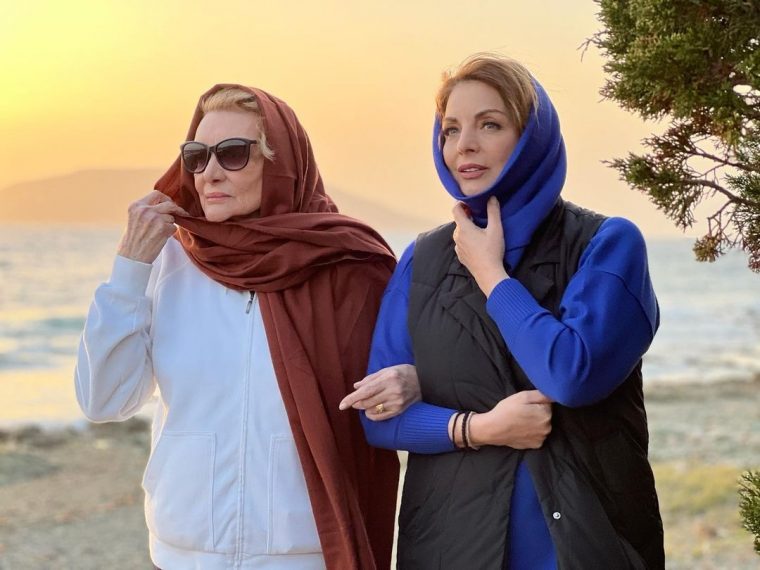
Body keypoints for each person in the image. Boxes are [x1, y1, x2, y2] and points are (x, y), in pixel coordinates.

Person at [340, 54, 664, 569]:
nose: (463, 145)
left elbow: (571, 375)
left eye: (489, 124)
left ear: (532, 136)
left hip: (582, 546)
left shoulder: (607, 244)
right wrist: (475, 427)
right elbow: (378, 419)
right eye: (450, 129)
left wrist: (491, 274)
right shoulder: (423, 259)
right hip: (449, 548)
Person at [75, 84, 399, 569]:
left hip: (304, 553)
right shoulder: (167, 261)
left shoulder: (349, 265)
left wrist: (412, 380)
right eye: (196, 156)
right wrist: (129, 267)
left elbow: (407, 383)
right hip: (184, 554)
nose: (209, 173)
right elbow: (103, 400)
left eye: (232, 154)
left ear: (280, 163)